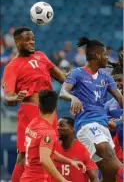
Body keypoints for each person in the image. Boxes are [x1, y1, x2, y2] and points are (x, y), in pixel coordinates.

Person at [2, 27, 67, 182]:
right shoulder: (12, 66)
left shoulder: (41, 56)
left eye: (33, 39)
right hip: (29, 113)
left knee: (49, 153)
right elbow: (7, 99)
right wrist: (17, 97)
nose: (32, 41)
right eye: (27, 39)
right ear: (17, 42)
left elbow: (61, 77)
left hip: (49, 112)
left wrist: (78, 76)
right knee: (24, 156)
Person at [59, 36, 123, 182]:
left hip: (102, 126)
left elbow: (120, 99)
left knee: (109, 175)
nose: (107, 57)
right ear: (96, 55)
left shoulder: (106, 78)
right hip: (87, 124)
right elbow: (63, 92)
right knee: (109, 154)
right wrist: (73, 98)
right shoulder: (77, 73)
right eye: (105, 54)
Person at [20, 90, 86, 182]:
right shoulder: (47, 132)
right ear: (56, 107)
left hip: (26, 178)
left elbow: (47, 152)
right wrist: (63, 180)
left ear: (38, 105)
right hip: (38, 179)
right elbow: (44, 160)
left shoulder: (33, 124)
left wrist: (70, 162)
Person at [52, 117, 99, 182]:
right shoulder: (52, 146)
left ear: (72, 129)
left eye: (61, 125)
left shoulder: (83, 149)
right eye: (57, 125)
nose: (58, 128)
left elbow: (94, 178)